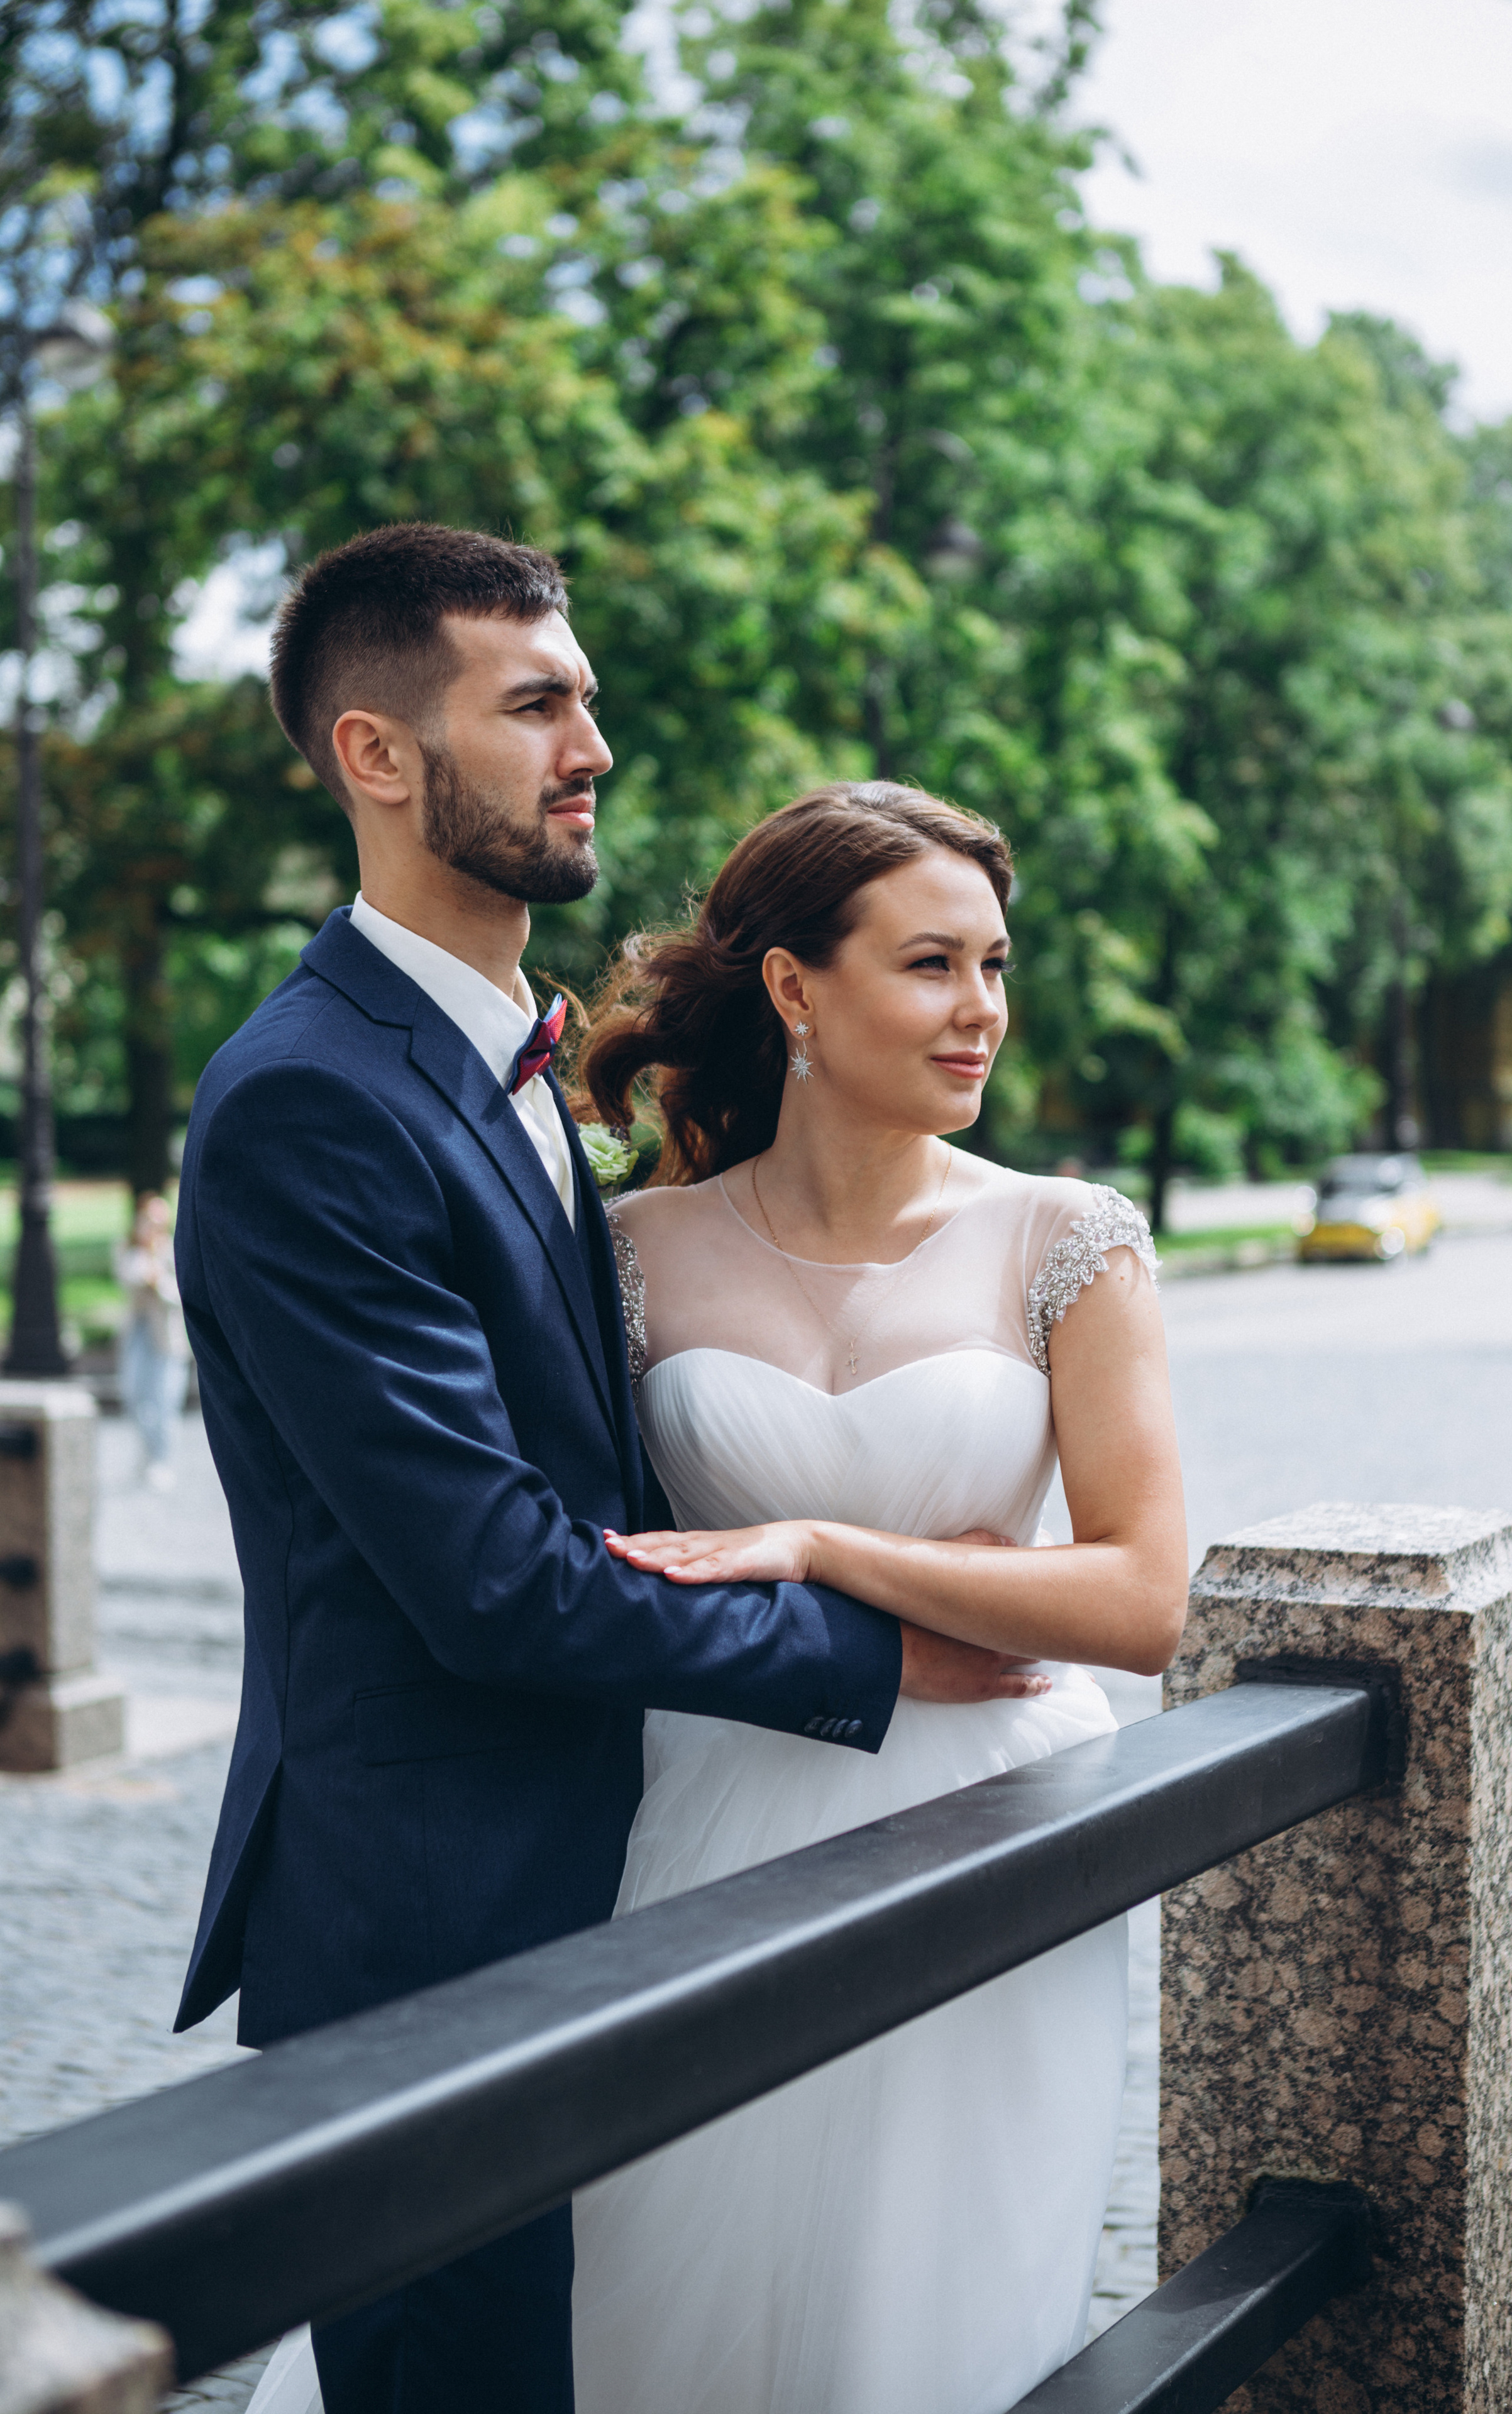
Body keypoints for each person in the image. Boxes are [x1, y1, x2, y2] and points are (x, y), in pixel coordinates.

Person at [175, 523, 1034, 2414]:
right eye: (534, 705)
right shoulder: (311, 1096)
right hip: (429, 1915)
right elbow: (492, 1575)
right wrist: (879, 1647)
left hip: (594, 1878)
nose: (595, 747)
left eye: (586, 698)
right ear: (374, 753)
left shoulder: (501, 1067)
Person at [560, 783, 1189, 2414]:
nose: (981, 1010)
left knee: (934, 2308)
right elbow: (574, 1572)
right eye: (930, 965)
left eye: (994, 965)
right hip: (702, 1819)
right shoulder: (626, 1253)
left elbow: (1144, 1598)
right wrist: (922, 1594)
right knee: (654, 2288)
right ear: (793, 988)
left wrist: (826, 1550)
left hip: (998, 1832)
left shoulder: (1069, 1242)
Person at [116, 1191, 187, 1488]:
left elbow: (181, 1295)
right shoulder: (129, 1250)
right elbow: (129, 1277)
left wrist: (158, 1281)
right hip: (138, 1334)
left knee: (164, 1401)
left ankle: (161, 1459)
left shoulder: (173, 1250)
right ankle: (147, 1453)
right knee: (133, 1395)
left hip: (167, 1338)